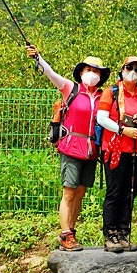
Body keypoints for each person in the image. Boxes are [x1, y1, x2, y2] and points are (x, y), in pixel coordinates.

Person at [26, 45, 110, 252]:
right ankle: (65, 234)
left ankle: (71, 230)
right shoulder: (70, 89)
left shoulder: (103, 96)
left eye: (97, 71)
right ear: (81, 72)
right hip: (71, 147)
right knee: (69, 192)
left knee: (80, 192)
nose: (92, 74)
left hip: (91, 150)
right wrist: (38, 58)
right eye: (89, 70)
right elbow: (51, 74)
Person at [96, 55, 137, 253]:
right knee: (115, 191)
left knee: (129, 193)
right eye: (130, 67)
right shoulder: (111, 93)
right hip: (115, 148)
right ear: (122, 69)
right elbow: (101, 118)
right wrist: (123, 130)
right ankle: (110, 233)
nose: (133, 72)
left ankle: (123, 232)